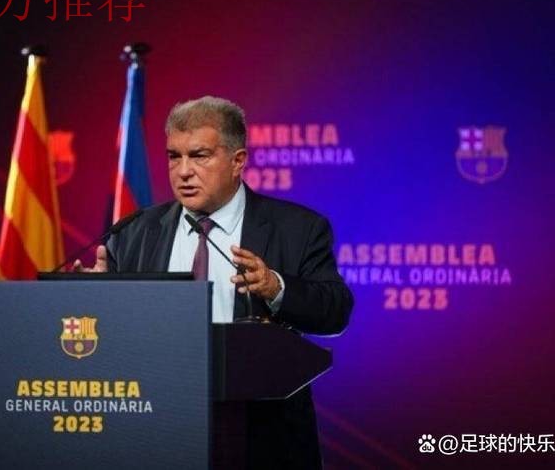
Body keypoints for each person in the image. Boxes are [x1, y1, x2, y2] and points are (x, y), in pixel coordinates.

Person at [73, 96, 353, 469]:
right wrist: (95, 300)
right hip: (156, 429)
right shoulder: (134, 231)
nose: (183, 171)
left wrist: (276, 288)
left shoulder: (297, 228)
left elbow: (335, 310)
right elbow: (120, 339)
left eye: (199, 156)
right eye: (174, 156)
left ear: (238, 161)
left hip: (261, 437)